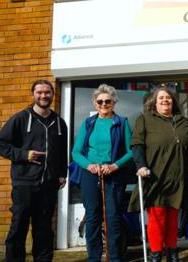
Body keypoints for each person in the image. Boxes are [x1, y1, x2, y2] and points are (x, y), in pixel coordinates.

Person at [0, 80, 68, 262]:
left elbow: (62, 151)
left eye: (47, 92)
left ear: (52, 95)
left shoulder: (59, 122)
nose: (43, 96)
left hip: (48, 185)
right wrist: (24, 155)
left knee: (44, 230)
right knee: (19, 227)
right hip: (24, 183)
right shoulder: (20, 118)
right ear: (33, 94)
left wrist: (62, 173)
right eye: (40, 92)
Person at [127, 87, 188, 262]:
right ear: (154, 102)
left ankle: (172, 252)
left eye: (168, 98)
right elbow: (137, 144)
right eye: (161, 98)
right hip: (154, 176)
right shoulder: (145, 120)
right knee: (158, 218)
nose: (165, 100)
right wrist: (140, 165)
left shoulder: (183, 122)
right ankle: (155, 254)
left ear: (173, 102)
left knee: (172, 219)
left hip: (178, 177)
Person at [71, 84, 133, 262]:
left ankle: (114, 258)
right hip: (91, 175)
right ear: (94, 103)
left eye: (108, 101)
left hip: (113, 175)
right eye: (100, 101)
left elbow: (131, 152)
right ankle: (94, 258)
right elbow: (76, 152)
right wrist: (89, 165)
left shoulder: (122, 123)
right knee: (93, 218)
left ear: (114, 102)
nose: (103, 104)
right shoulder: (88, 123)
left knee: (113, 218)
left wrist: (115, 165)